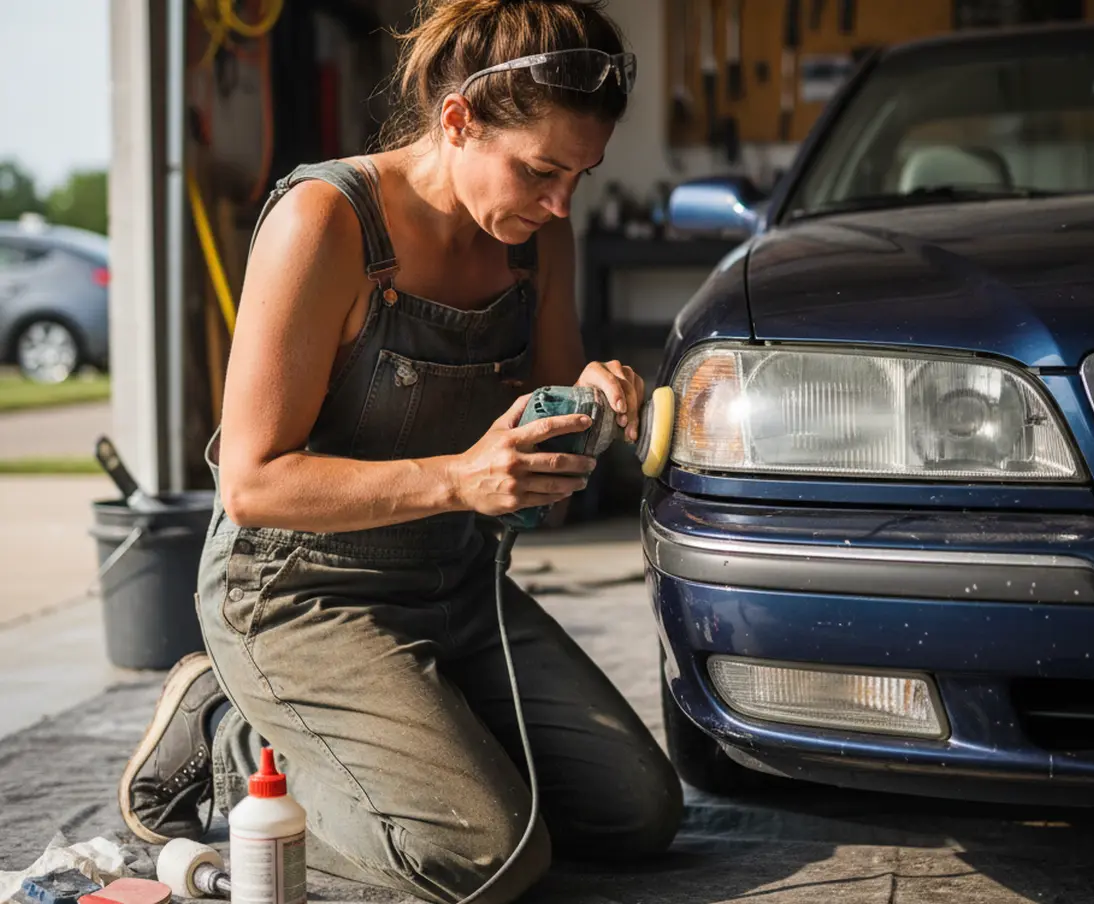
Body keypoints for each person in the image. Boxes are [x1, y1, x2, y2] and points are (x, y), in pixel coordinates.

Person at [116, 1, 683, 901]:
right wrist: (462, 477)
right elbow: (255, 483)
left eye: (581, 174)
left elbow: (544, 393)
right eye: (540, 170)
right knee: (485, 858)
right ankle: (232, 732)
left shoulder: (542, 236)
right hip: (300, 597)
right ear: (457, 119)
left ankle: (405, 744)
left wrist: (594, 396)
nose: (560, 202)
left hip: (454, 586)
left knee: (638, 816)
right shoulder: (326, 222)